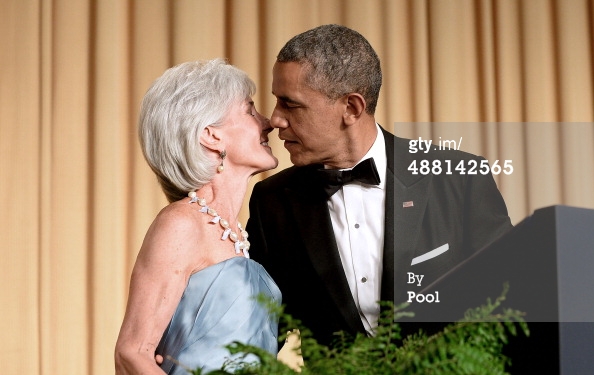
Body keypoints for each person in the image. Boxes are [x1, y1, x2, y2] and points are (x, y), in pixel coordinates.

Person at [246, 24, 512, 346]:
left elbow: (508, 302)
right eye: (276, 102)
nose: (275, 120)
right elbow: (260, 327)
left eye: (290, 104)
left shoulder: (460, 178)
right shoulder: (271, 201)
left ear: (351, 108)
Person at [115, 59, 281, 374]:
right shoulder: (181, 224)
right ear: (210, 135)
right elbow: (131, 354)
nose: (268, 122)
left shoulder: (240, 236)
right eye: (249, 110)